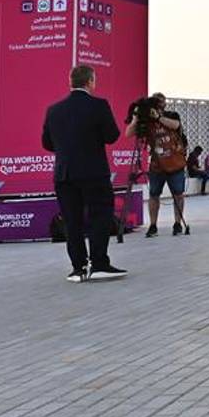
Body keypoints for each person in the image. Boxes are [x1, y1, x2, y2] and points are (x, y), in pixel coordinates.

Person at [41, 65, 127, 282]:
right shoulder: (99, 105)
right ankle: (99, 264)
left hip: (64, 174)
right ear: (90, 82)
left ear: (70, 82)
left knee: (72, 221)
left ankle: (78, 268)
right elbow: (112, 136)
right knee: (100, 216)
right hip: (93, 172)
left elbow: (47, 143)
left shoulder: (54, 110)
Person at [126, 92, 188, 236]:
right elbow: (128, 134)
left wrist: (159, 117)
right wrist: (135, 119)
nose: (159, 104)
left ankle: (177, 223)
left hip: (175, 163)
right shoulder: (146, 120)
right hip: (156, 165)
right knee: (154, 195)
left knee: (178, 194)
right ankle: (153, 225)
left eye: (161, 101)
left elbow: (176, 125)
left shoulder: (172, 115)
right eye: (156, 102)